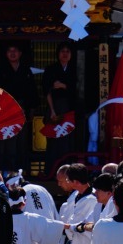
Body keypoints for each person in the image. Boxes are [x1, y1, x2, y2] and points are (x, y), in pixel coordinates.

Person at [0, 44, 38, 174]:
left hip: (22, 108)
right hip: (5, 109)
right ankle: (5, 169)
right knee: (7, 139)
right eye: (9, 50)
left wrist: (32, 109)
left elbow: (32, 91)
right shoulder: (0, 69)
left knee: (21, 139)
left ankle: (20, 170)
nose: (12, 53)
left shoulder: (25, 70)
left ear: (20, 53)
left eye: (15, 50)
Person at [42, 43, 76, 175]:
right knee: (53, 141)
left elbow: (76, 89)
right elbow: (47, 91)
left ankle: (68, 172)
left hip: (69, 109)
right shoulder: (51, 69)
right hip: (54, 108)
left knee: (67, 141)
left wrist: (63, 85)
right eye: (62, 51)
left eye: (68, 51)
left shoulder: (74, 69)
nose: (65, 54)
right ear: (58, 53)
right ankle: (51, 171)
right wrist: (52, 111)